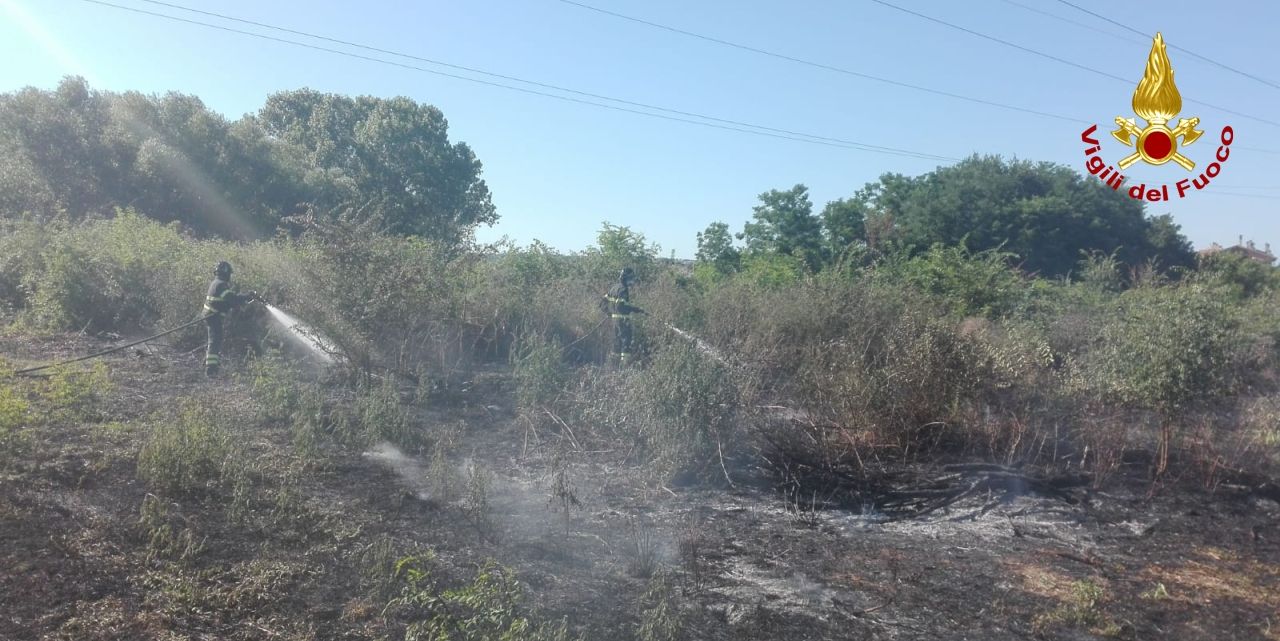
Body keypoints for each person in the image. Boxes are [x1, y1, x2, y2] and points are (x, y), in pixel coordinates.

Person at [202, 261, 257, 377]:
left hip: (211, 316)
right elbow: (233, 298)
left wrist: (240, 301)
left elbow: (227, 301)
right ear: (226, 273)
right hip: (213, 317)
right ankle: (211, 370)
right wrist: (248, 296)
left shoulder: (216, 283)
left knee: (214, 340)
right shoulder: (221, 285)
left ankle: (210, 364)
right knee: (214, 341)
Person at [602, 267, 645, 365]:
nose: (632, 281)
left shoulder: (614, 288)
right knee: (626, 341)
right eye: (631, 278)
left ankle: (613, 364)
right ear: (627, 278)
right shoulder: (623, 289)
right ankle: (624, 365)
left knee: (616, 342)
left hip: (614, 321)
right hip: (623, 320)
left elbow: (602, 303)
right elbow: (622, 306)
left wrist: (609, 313)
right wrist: (636, 309)